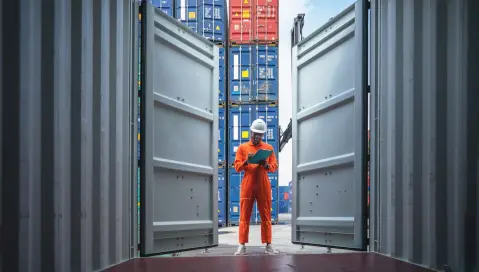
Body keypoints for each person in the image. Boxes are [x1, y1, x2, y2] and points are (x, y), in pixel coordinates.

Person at [233, 118, 279, 255]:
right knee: (244, 216)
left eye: (260, 135)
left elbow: (274, 166)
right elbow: (237, 167)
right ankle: (242, 245)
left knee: (266, 216)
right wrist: (247, 161)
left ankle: (268, 245)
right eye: (255, 134)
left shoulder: (268, 149)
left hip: (263, 186)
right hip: (248, 185)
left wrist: (266, 165)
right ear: (251, 132)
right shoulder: (243, 148)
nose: (257, 137)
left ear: (263, 135)